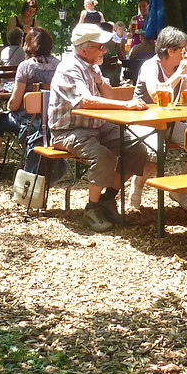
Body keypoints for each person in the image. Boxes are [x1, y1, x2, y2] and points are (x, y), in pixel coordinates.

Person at [48, 24, 153, 233]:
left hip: (97, 126)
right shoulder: (69, 68)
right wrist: (126, 105)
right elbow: (86, 101)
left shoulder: (92, 65)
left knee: (137, 150)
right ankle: (91, 208)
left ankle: (107, 199)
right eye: (100, 47)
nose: (105, 50)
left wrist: (99, 80)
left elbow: (109, 96)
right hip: (68, 130)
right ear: (83, 49)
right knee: (104, 157)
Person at [129, 26, 187, 209]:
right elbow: (157, 95)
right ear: (171, 50)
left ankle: (179, 191)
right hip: (143, 121)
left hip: (169, 121)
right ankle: (138, 186)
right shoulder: (150, 65)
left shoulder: (180, 66)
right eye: (184, 48)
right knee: (155, 153)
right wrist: (180, 73)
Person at [0, 27, 59, 182]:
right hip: (51, 122)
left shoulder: (26, 66)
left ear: (28, 44)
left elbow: (14, 105)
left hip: (27, 122)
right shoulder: (59, 65)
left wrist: (8, 103)